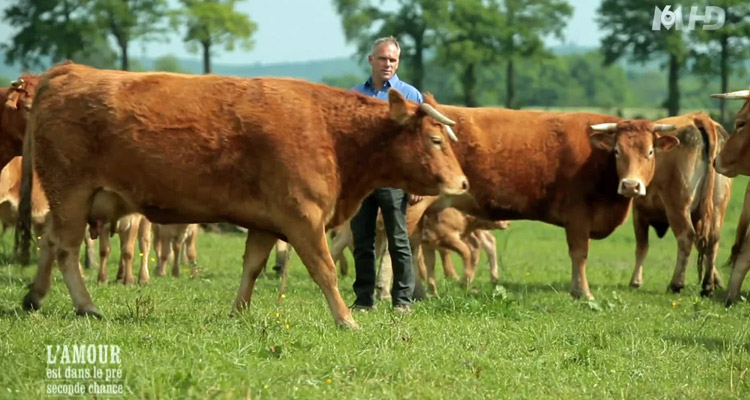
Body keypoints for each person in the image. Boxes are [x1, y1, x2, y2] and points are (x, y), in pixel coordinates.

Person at [349, 36, 423, 313]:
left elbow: (418, 143)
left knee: (399, 239)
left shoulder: (411, 95)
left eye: (392, 59)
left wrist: (415, 180)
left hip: (394, 180)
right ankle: (364, 300)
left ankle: (402, 300)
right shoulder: (355, 95)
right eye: (382, 58)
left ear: (398, 62)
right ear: (371, 60)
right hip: (363, 182)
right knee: (362, 241)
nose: (387, 64)